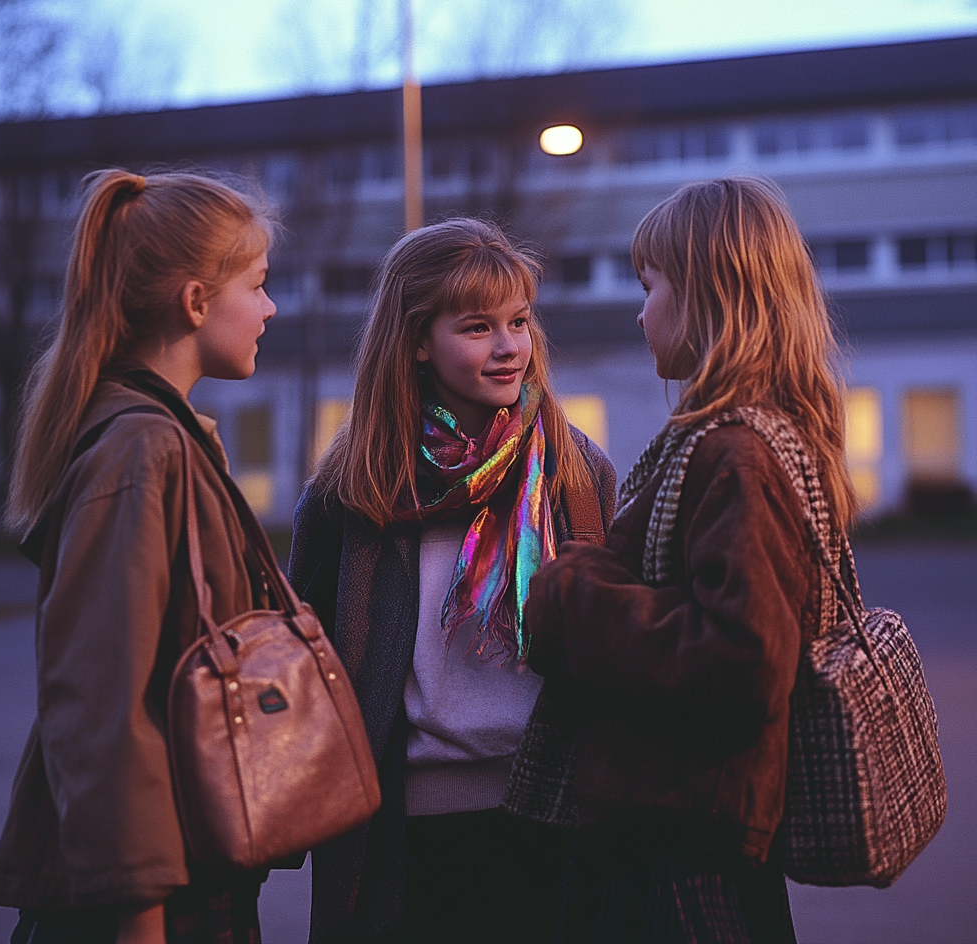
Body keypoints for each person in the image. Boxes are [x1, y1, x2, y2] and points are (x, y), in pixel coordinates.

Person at [524, 176, 860, 944]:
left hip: (680, 842)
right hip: (693, 825)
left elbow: (743, 658)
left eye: (652, 285)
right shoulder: (752, 437)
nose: (641, 309)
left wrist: (573, 593)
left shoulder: (735, 451)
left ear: (710, 293)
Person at [288, 218, 617, 944]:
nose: (507, 347)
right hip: (408, 830)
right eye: (476, 327)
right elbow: (305, 658)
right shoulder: (355, 485)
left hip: (558, 811)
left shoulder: (576, 470)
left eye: (519, 322)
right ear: (415, 340)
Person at [0, 169, 281, 944]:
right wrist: (140, 916)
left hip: (185, 877)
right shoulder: (140, 450)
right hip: (152, 904)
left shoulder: (161, 436)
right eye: (256, 285)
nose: (270, 307)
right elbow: (102, 706)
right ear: (194, 302)